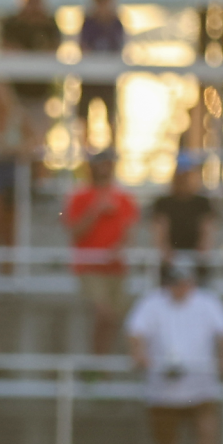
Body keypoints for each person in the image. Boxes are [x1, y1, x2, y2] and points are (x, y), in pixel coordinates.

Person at [126, 256, 223, 444]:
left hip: (201, 388)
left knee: (207, 433)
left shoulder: (208, 301)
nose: (180, 287)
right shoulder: (152, 302)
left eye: (185, 281)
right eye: (175, 282)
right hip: (162, 392)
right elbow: (135, 332)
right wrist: (139, 353)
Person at [63, 150, 139, 354]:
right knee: (103, 313)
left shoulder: (124, 198)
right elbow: (75, 232)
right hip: (89, 267)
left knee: (115, 317)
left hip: (116, 268)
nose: (106, 167)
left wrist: (120, 248)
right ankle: (97, 361)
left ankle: (102, 362)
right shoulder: (79, 197)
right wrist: (96, 209)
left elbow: (128, 232)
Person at [0, 0, 61, 163]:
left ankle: (36, 176)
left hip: (40, 94)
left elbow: (53, 50)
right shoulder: (11, 24)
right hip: (14, 94)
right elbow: (6, 49)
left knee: (38, 144)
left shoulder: (49, 24)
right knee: (13, 143)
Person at [0, 83, 33, 252]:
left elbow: (33, 140)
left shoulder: (19, 116)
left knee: (11, 226)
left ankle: (8, 265)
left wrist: (18, 150)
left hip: (13, 170)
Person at [78, 0, 124, 144]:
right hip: (90, 77)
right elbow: (83, 48)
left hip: (108, 78)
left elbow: (119, 49)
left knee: (111, 116)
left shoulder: (116, 24)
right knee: (84, 116)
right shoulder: (89, 23)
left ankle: (113, 148)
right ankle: (85, 149)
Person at [152, 154, 218, 265]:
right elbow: (160, 227)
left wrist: (202, 251)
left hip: (196, 256)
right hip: (169, 257)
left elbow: (207, 227)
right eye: (180, 175)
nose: (183, 180)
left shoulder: (203, 203)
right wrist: (165, 251)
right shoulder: (163, 203)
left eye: (187, 175)